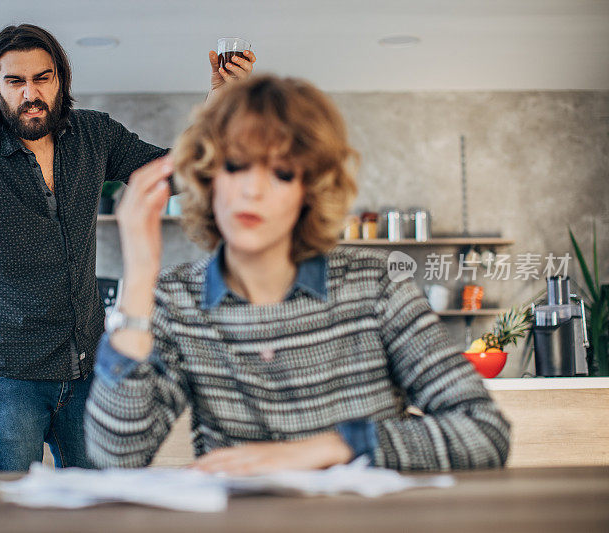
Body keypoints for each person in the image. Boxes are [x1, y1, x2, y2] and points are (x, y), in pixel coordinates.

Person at [0, 24, 256, 472]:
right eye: (16, 81)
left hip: (85, 364)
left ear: (61, 80)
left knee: (98, 502)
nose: (31, 93)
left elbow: (175, 176)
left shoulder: (94, 135)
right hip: (8, 373)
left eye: (42, 78)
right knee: (14, 506)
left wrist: (221, 104)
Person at [85, 74, 510, 473]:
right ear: (208, 178)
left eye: (282, 173)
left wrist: (330, 448)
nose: (253, 190)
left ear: (310, 191)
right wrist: (140, 274)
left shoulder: (377, 288)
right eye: (235, 166)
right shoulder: (177, 300)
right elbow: (116, 455)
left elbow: (485, 432)